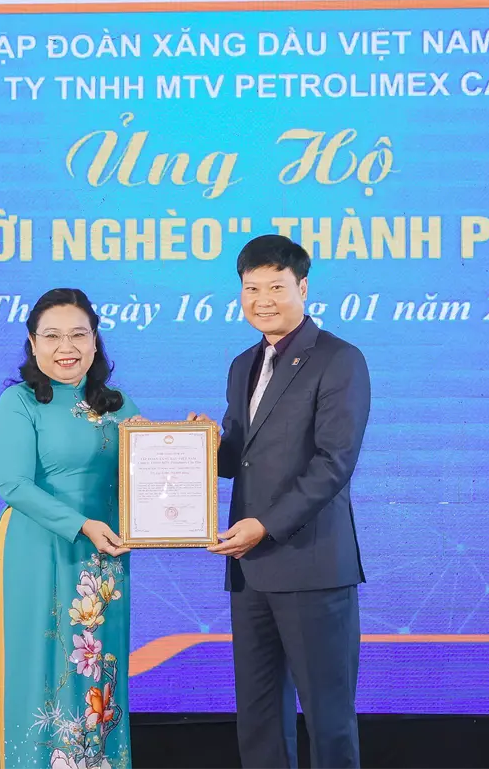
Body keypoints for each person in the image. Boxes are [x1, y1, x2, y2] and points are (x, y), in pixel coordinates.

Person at [192, 234, 372, 769]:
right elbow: (239, 457)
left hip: (311, 566)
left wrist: (265, 526)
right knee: (260, 718)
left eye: (276, 286)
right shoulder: (242, 363)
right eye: (252, 288)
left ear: (303, 287)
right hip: (249, 572)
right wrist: (201, 446)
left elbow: (334, 462)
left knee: (328, 719)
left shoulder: (339, 359)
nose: (263, 300)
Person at [0, 287, 144, 769]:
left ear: (95, 341)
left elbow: (152, 470)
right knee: (40, 667)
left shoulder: (118, 405)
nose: (66, 347)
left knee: (99, 675)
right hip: (37, 549)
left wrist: (197, 440)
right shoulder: (19, 402)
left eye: (78, 334)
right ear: (33, 343)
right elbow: (14, 485)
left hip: (102, 557)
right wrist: (82, 525)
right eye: (52, 336)